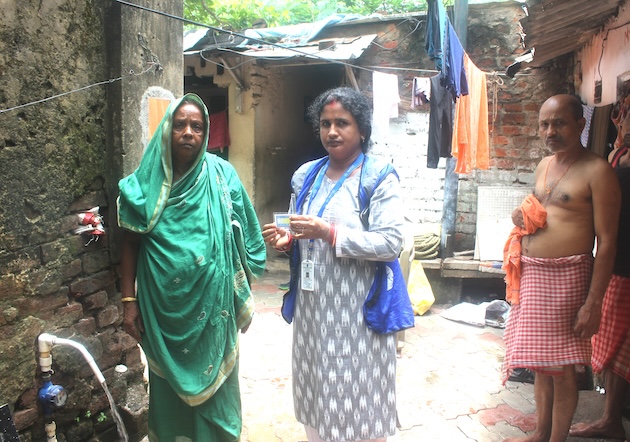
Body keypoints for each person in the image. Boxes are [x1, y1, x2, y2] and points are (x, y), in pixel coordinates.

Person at [117, 93, 266, 441]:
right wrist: (128, 302)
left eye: (196, 126)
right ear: (166, 131)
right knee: (169, 395)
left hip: (214, 312)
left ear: (206, 133)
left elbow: (244, 232)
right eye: (180, 125)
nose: (188, 132)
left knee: (221, 397)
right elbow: (130, 242)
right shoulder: (144, 185)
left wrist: (240, 291)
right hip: (163, 312)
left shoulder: (221, 176)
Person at [261, 87, 405, 442]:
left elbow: (391, 243)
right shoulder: (306, 175)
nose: (332, 132)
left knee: (359, 396)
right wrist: (287, 242)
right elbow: (297, 228)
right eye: (325, 124)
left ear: (362, 130)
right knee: (317, 393)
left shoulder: (378, 177)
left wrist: (329, 232)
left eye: (342, 123)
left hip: (357, 313)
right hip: (313, 311)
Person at [501, 94, 621, 442]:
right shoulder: (544, 166)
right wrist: (520, 219)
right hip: (534, 275)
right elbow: (543, 215)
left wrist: (593, 303)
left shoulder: (598, 170)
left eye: (559, 123)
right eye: (544, 124)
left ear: (581, 125)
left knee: (562, 368)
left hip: (568, 280)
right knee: (540, 364)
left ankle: (556, 439)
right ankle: (540, 433)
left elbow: (608, 242)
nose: (550, 130)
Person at [569, 103, 630, 441]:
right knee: (610, 340)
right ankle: (611, 418)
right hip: (613, 263)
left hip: (625, 263)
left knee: (621, 343)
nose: (624, 120)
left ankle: (611, 420)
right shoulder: (615, 157)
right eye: (624, 114)